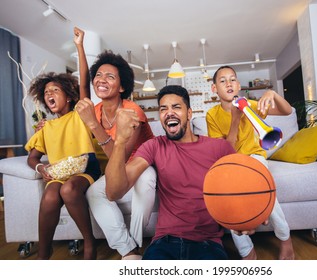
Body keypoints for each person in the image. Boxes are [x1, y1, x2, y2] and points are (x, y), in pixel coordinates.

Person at [104, 85, 242, 260]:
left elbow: (240, 187)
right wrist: (120, 141)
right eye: (163, 109)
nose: (169, 113)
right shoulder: (154, 146)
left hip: (208, 243)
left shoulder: (219, 148)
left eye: (176, 107)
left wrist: (246, 217)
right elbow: (113, 192)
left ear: (189, 114)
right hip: (165, 243)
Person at [73, 32, 156, 260]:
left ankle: (137, 243)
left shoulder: (132, 112)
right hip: (118, 168)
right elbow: (82, 85)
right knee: (93, 193)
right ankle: (127, 249)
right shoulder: (96, 110)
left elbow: (120, 156)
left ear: (121, 87)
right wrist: (79, 47)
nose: (102, 79)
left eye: (110, 76)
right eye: (98, 75)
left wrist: (93, 125)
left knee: (146, 178)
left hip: (143, 163)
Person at [24, 27, 101, 260]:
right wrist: (42, 168)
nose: (50, 94)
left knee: (69, 190)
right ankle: (44, 253)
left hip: (86, 168)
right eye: (47, 92)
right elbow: (32, 158)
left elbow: (85, 81)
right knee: (50, 196)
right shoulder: (46, 127)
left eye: (55, 90)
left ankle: (89, 242)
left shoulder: (80, 112)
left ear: (68, 95)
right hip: (59, 172)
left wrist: (79, 46)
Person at [206, 65, 295, 260]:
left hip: (255, 157)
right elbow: (225, 149)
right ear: (214, 89)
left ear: (238, 85)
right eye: (222, 81)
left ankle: (285, 239)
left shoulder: (250, 104)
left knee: (266, 190)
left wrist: (272, 93)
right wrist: (236, 120)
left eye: (232, 79)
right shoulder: (211, 115)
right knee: (228, 199)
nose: (228, 83)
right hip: (230, 161)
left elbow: (287, 111)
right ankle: (246, 251)